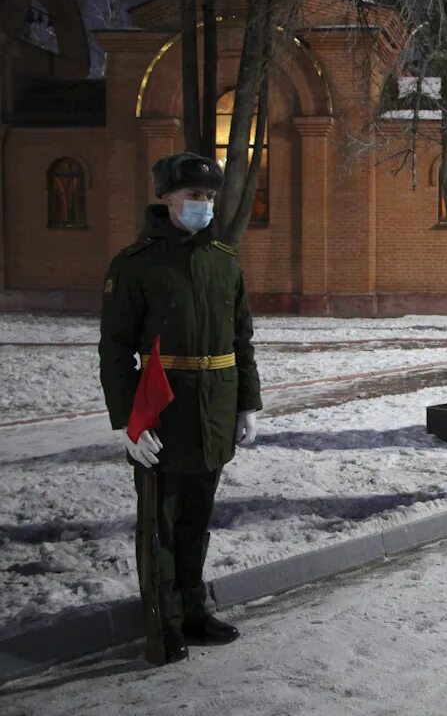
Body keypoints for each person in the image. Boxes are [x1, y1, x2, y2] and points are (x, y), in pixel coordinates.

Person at [99, 152, 261, 664]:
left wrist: (246, 404)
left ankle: (193, 610)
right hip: (163, 411)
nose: (204, 206)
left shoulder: (223, 259)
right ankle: (163, 622)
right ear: (166, 197)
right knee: (161, 524)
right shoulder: (135, 264)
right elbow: (114, 347)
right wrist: (129, 420)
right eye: (194, 196)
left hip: (214, 408)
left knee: (197, 519)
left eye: (210, 197)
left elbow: (242, 337)